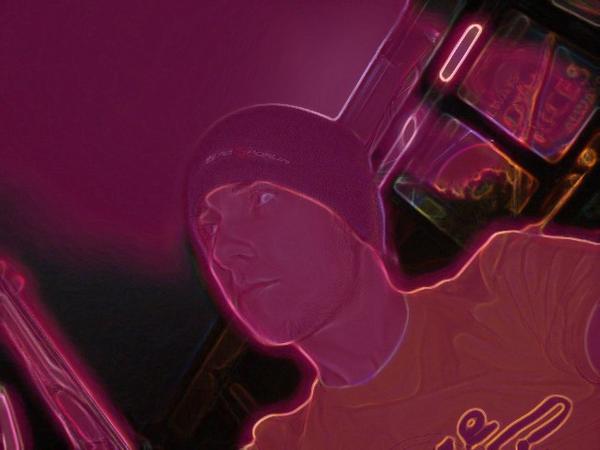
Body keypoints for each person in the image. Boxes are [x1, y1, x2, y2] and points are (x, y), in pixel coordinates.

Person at [193, 180, 600, 449]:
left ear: (350, 214)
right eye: (210, 229)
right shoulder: (284, 444)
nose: (222, 251)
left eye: (262, 199)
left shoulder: (514, 283)